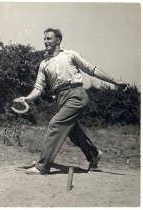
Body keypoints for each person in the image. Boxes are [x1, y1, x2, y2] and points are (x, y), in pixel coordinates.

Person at [14, 28, 128, 175]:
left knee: (55, 125)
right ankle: (93, 154)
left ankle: (42, 166)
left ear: (58, 40)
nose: (45, 41)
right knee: (73, 132)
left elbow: (91, 69)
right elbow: (38, 87)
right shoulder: (44, 64)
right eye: (45, 39)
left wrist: (114, 81)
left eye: (49, 38)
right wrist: (27, 98)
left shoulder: (70, 54)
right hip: (60, 99)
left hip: (76, 95)